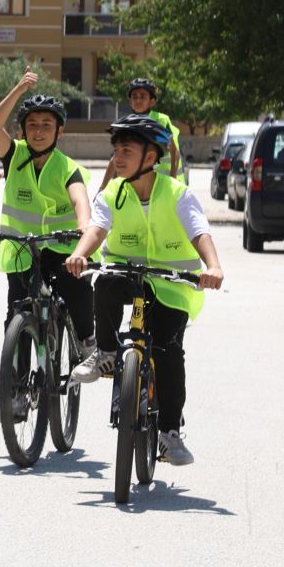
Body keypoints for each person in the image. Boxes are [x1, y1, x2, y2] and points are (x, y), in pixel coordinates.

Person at [64, 114, 222, 466]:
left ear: (150, 157)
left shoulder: (176, 194)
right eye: (115, 149)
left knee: (167, 351)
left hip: (171, 286)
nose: (117, 157)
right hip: (127, 275)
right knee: (102, 282)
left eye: (126, 150)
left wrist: (212, 266)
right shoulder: (114, 192)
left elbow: (200, 233)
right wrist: (79, 254)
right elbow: (97, 228)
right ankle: (106, 352)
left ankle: (169, 433)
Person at [0, 74, 93, 370]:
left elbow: (80, 199)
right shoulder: (13, 155)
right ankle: (16, 393)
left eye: (47, 125)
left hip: (62, 250)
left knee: (77, 287)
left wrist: (84, 229)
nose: (39, 131)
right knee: (15, 318)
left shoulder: (67, 167)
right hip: (23, 251)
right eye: (32, 124)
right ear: (22, 131)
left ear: (60, 131)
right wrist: (17, 89)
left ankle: (85, 339)